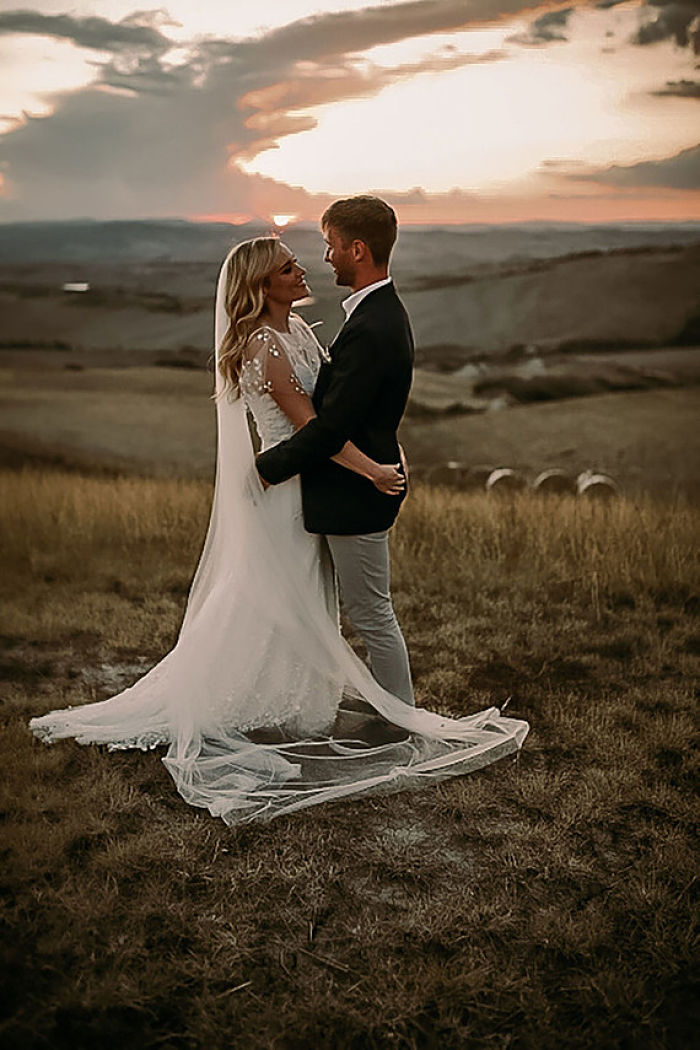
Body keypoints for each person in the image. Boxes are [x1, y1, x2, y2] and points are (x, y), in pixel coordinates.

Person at [29, 218, 529, 825]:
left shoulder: (295, 328)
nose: (304, 270)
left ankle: (298, 698)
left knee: (299, 598)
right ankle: (240, 696)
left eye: (304, 259)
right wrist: (373, 468)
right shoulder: (264, 345)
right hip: (287, 490)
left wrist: (384, 451)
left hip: (307, 483)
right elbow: (310, 428)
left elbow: (344, 407)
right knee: (269, 597)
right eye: (289, 267)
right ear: (263, 285)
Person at [256, 197, 414, 708]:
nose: (326, 258)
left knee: (372, 616)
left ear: (359, 249)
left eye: (332, 246)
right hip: (344, 490)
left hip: (354, 494)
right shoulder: (374, 315)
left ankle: (402, 723)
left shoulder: (371, 327)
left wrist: (264, 468)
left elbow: (331, 428)